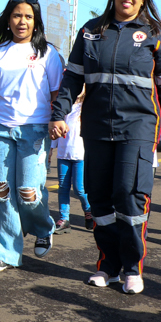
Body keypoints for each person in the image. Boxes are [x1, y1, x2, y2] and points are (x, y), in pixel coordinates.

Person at [50, 0, 161, 294]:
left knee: (128, 194)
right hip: (97, 126)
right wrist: (59, 114)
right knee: (99, 198)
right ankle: (107, 266)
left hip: (139, 127)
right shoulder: (91, 32)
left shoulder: (156, 34)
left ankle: (131, 267)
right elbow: (72, 79)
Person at [0, 0, 65, 272]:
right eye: (16, 15)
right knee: (0, 192)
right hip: (1, 131)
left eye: (28, 16)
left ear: (36, 22)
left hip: (35, 133)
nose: (21, 21)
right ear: (8, 19)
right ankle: (4, 253)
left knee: (28, 191)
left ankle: (42, 227)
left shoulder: (48, 54)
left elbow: (58, 95)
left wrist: (58, 122)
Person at [51, 87, 91, 231]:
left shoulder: (86, 106)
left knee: (80, 189)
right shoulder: (62, 107)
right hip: (63, 153)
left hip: (80, 154)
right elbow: (55, 128)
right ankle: (64, 219)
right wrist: (51, 148)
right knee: (63, 188)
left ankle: (89, 210)